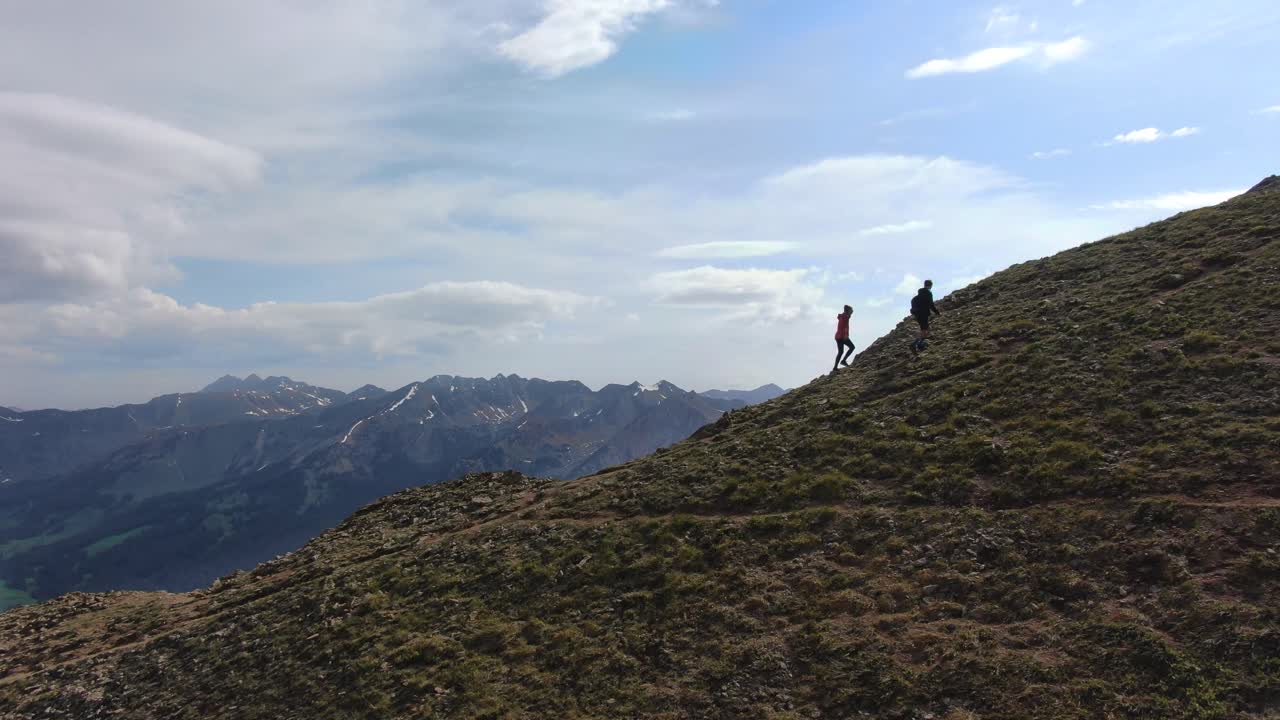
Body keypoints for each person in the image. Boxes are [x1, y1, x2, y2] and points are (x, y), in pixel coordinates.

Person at [910, 280, 940, 355]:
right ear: (930, 285)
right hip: (923, 314)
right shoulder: (928, 293)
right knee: (925, 330)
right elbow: (931, 305)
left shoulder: (917, 296)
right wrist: (937, 313)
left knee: (926, 329)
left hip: (917, 315)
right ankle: (915, 344)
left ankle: (920, 344)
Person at [833, 305, 855, 372]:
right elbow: (845, 326)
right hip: (842, 336)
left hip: (838, 336)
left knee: (840, 352)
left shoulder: (843, 316)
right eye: (851, 310)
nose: (852, 311)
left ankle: (835, 367)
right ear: (848, 311)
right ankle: (843, 361)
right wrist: (846, 335)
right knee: (852, 347)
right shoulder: (845, 317)